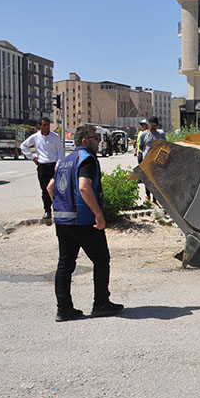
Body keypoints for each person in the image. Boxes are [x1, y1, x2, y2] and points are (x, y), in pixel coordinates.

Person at [46, 125, 124, 322]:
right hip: (82, 220)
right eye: (95, 138)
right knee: (101, 259)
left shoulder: (65, 161)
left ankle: (64, 309)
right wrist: (98, 214)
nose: (98, 141)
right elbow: (83, 187)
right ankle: (101, 303)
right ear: (85, 141)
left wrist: (61, 205)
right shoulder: (86, 159)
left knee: (65, 264)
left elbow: (50, 188)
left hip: (63, 221)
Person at [20, 117, 65, 220]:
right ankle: (47, 210)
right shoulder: (35, 137)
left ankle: (59, 209)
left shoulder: (55, 137)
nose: (46, 127)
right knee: (45, 189)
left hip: (54, 165)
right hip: (42, 165)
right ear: (39, 126)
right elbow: (23, 146)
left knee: (57, 188)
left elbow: (60, 151)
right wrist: (32, 157)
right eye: (44, 125)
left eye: (48, 124)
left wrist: (58, 165)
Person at [138, 116, 167, 203]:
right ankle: (147, 195)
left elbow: (165, 144)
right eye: (152, 125)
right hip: (147, 160)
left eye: (155, 125)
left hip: (158, 160)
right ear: (149, 124)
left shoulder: (161, 134)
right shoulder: (144, 134)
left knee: (156, 180)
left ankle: (155, 198)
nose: (154, 127)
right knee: (147, 179)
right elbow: (141, 146)